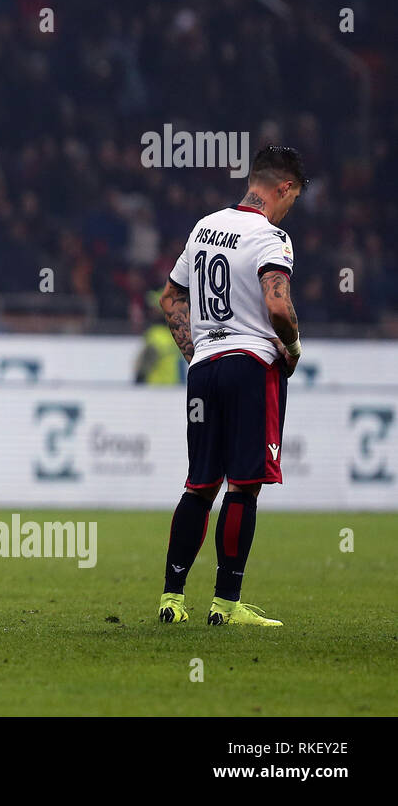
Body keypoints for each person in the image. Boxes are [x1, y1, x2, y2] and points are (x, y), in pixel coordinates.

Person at [156, 145, 308, 627]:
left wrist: (196, 350)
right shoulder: (271, 237)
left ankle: (172, 600)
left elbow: (170, 297)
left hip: (205, 369)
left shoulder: (204, 226)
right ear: (283, 188)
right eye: (293, 199)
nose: (289, 209)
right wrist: (293, 347)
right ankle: (225, 605)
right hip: (250, 368)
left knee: (199, 485)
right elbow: (278, 307)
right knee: (244, 485)